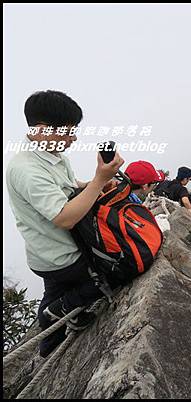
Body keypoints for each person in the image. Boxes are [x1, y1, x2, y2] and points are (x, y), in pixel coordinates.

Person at [6, 90, 124, 357]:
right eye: (68, 132)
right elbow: (64, 217)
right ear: (43, 130)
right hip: (61, 257)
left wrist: (97, 183)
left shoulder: (51, 155)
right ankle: (60, 311)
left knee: (54, 296)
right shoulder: (26, 169)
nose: (73, 138)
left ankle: (48, 346)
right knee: (117, 271)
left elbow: (68, 187)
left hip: (47, 254)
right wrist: (97, 181)